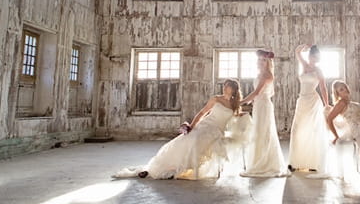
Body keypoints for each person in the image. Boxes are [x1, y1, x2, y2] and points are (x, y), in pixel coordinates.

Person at [113, 79, 242, 180]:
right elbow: (202, 112)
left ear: (234, 89)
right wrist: (191, 126)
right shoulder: (216, 99)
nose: (224, 87)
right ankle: (159, 170)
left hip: (217, 131)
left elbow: (236, 117)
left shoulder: (234, 105)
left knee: (199, 143)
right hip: (206, 125)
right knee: (188, 141)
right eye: (224, 85)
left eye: (228, 86)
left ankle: (179, 169)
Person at [239, 50, 289, 177]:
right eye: (260, 59)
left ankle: (265, 163)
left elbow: (257, 92)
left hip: (264, 106)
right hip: (259, 105)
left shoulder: (267, 75)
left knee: (264, 131)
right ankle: (258, 160)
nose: (261, 62)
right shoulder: (260, 74)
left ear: (268, 62)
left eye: (264, 60)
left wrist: (242, 102)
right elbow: (259, 94)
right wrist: (253, 101)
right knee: (258, 131)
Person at [288, 44, 329, 173]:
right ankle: (295, 163)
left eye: (317, 57)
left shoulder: (319, 71)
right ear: (310, 56)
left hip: (313, 101)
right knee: (297, 130)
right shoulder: (304, 65)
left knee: (312, 131)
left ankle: (312, 163)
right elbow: (297, 51)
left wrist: (326, 104)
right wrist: (305, 46)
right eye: (313, 56)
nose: (315, 59)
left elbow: (323, 88)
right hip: (302, 100)